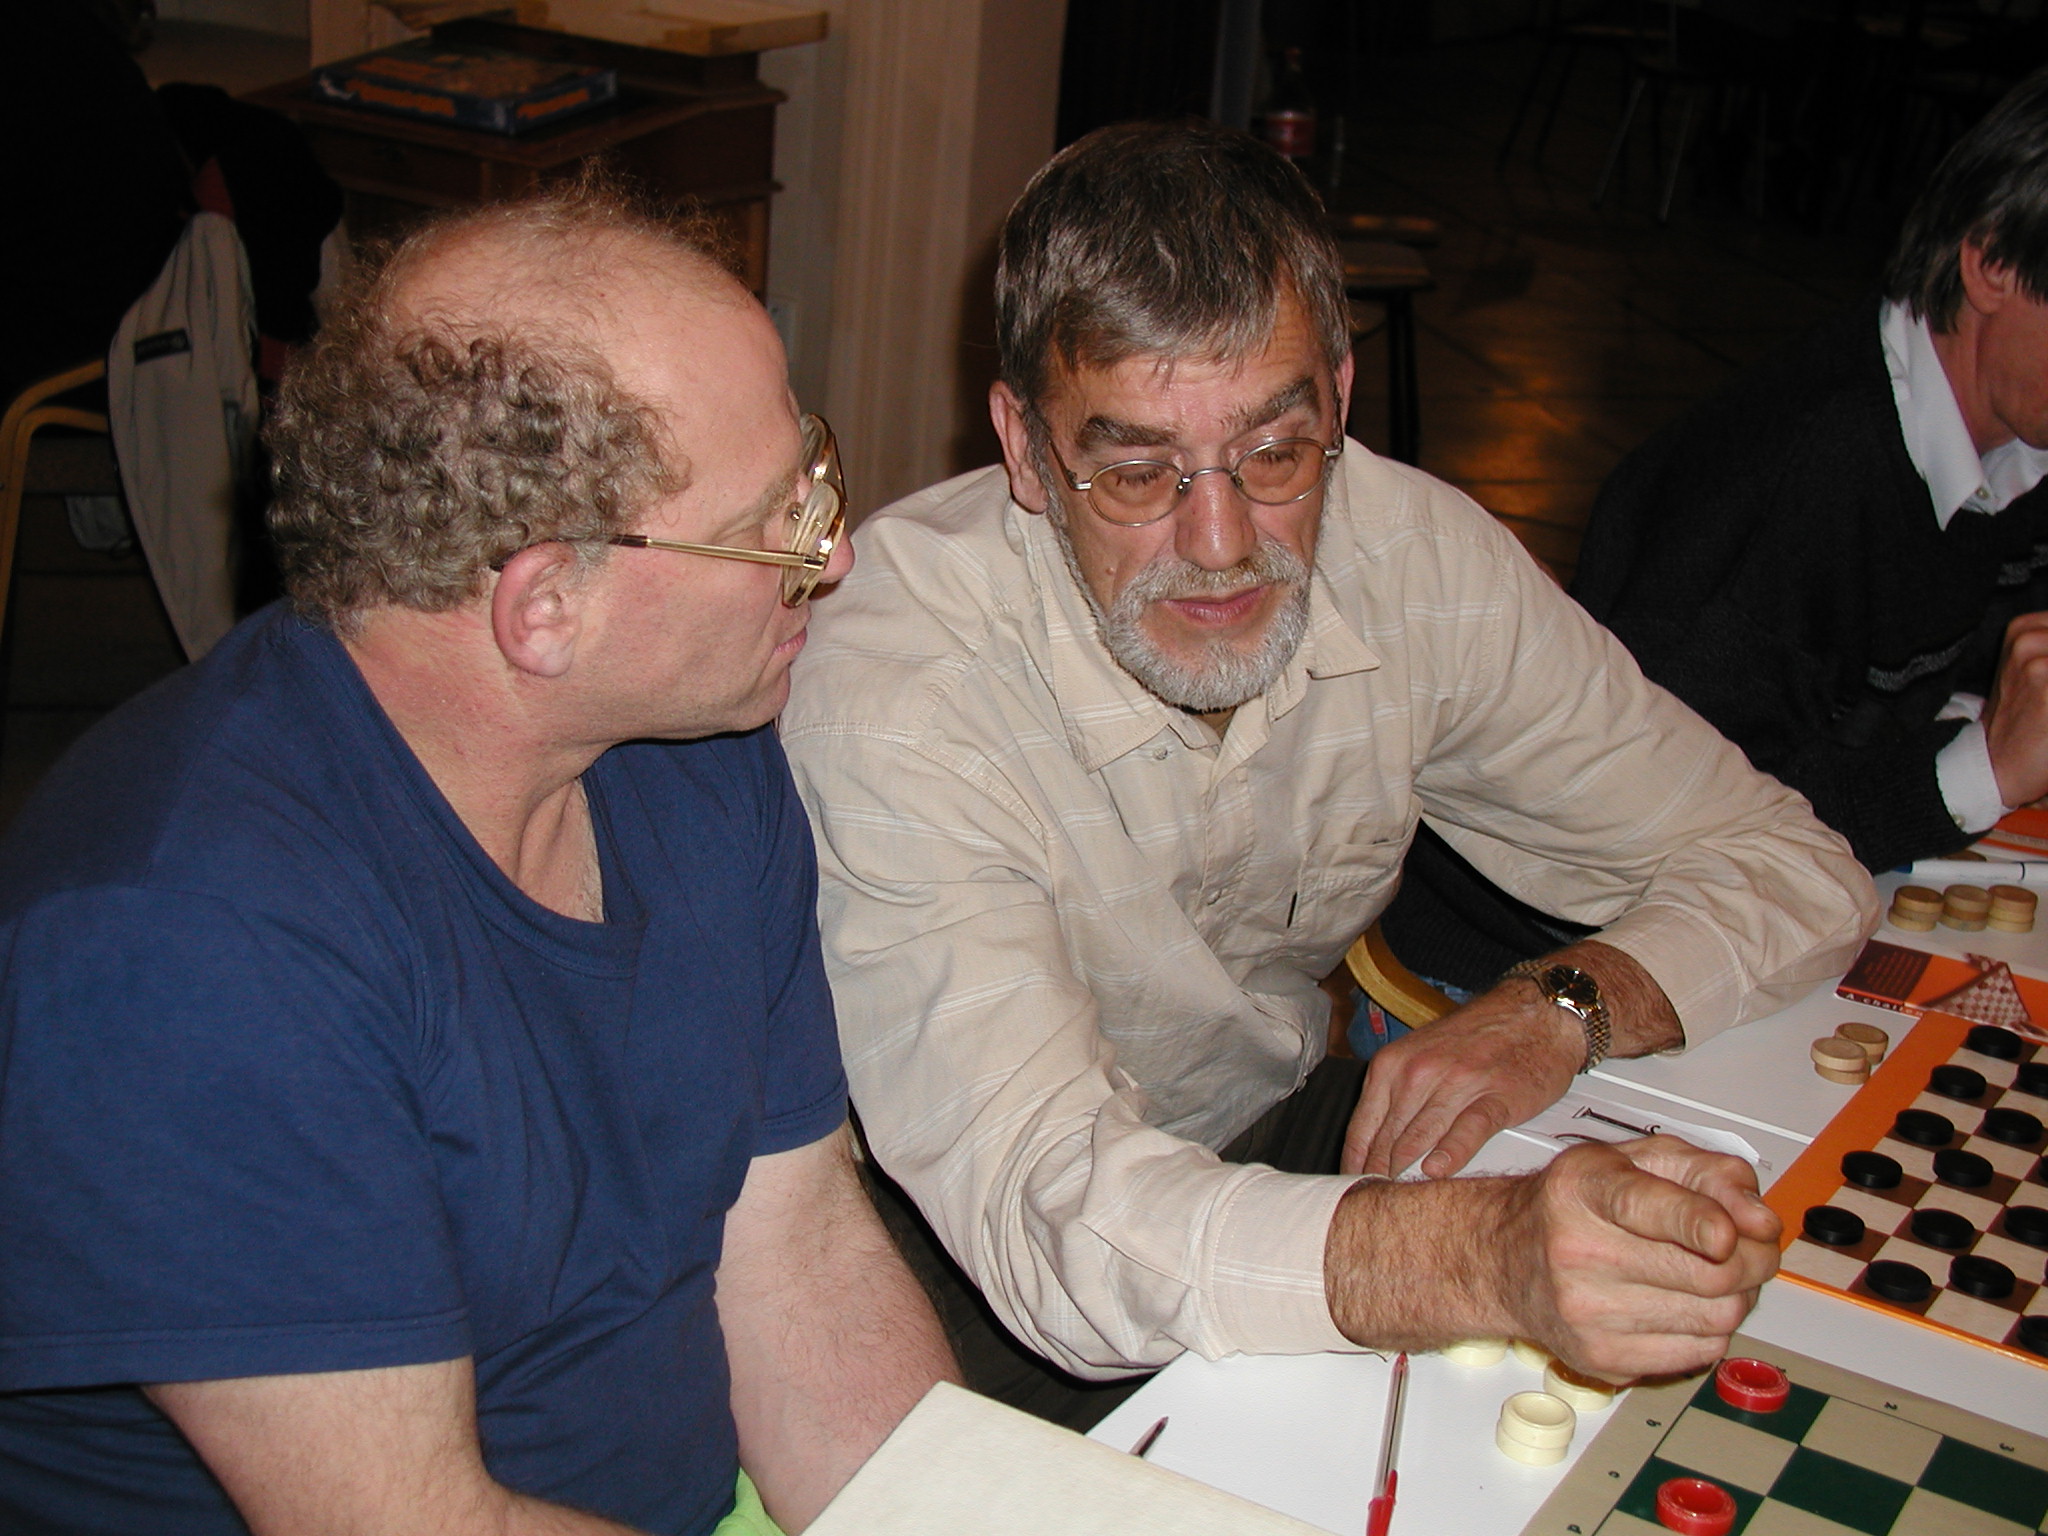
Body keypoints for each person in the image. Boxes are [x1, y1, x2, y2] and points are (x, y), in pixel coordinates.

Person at [780, 121, 1875, 1425]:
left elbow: (1795, 868)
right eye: (1133, 472)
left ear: (1340, 398)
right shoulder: (899, 692)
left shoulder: (1413, 557)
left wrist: (1561, 1006)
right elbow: (1048, 1214)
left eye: (1276, 454)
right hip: (949, 1255)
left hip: (1272, 1137)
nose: (1221, 543)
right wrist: (1481, 1259)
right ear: (1022, 447)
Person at [0, 183, 954, 1536]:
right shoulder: (184, 949)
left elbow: (794, 1264)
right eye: (771, 523)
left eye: (813, 470)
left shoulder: (696, 743)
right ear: (545, 606)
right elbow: (409, 1522)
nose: (834, 552)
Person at [1572, 70, 2048, 879]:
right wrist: (1986, 769)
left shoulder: (2019, 431)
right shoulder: (1795, 475)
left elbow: (1956, 661)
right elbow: (1672, 833)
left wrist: (1993, 716)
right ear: (1992, 263)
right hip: (1576, 926)